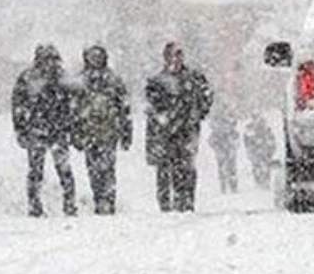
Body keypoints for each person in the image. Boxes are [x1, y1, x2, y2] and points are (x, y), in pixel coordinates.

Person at [145, 42, 213, 212]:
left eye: (178, 55)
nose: (174, 60)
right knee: (164, 168)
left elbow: (207, 96)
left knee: (186, 167)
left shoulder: (194, 78)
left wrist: (199, 113)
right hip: (164, 131)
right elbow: (152, 106)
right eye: (171, 56)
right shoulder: (157, 81)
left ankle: (186, 201)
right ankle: (166, 204)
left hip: (187, 130)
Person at [12, 44, 77, 217]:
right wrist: (20, 129)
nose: (49, 63)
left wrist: (71, 126)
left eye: (51, 59)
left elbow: (73, 106)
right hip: (39, 130)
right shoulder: (29, 78)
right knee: (38, 171)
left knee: (61, 170)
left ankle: (68, 204)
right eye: (45, 59)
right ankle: (37, 206)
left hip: (53, 130)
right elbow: (18, 105)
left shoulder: (61, 78)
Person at [75, 45, 132, 215]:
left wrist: (126, 132)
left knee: (107, 168)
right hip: (89, 133)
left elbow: (124, 108)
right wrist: (76, 133)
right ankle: (98, 198)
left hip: (109, 132)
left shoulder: (113, 79)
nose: (95, 60)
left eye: (98, 56)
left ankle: (108, 200)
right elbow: (74, 110)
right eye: (92, 56)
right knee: (93, 170)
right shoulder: (80, 81)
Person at [209, 107, 240, 194]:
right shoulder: (219, 128)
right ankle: (228, 186)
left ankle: (230, 186)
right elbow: (212, 140)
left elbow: (236, 137)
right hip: (223, 148)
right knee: (228, 168)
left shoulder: (223, 128)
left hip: (226, 148)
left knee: (229, 168)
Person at [243, 115, 276, 189]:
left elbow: (272, 140)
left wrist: (270, 150)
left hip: (265, 151)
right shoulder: (250, 129)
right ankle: (260, 182)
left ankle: (265, 182)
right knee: (258, 166)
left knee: (264, 166)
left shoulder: (267, 130)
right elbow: (247, 142)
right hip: (256, 151)